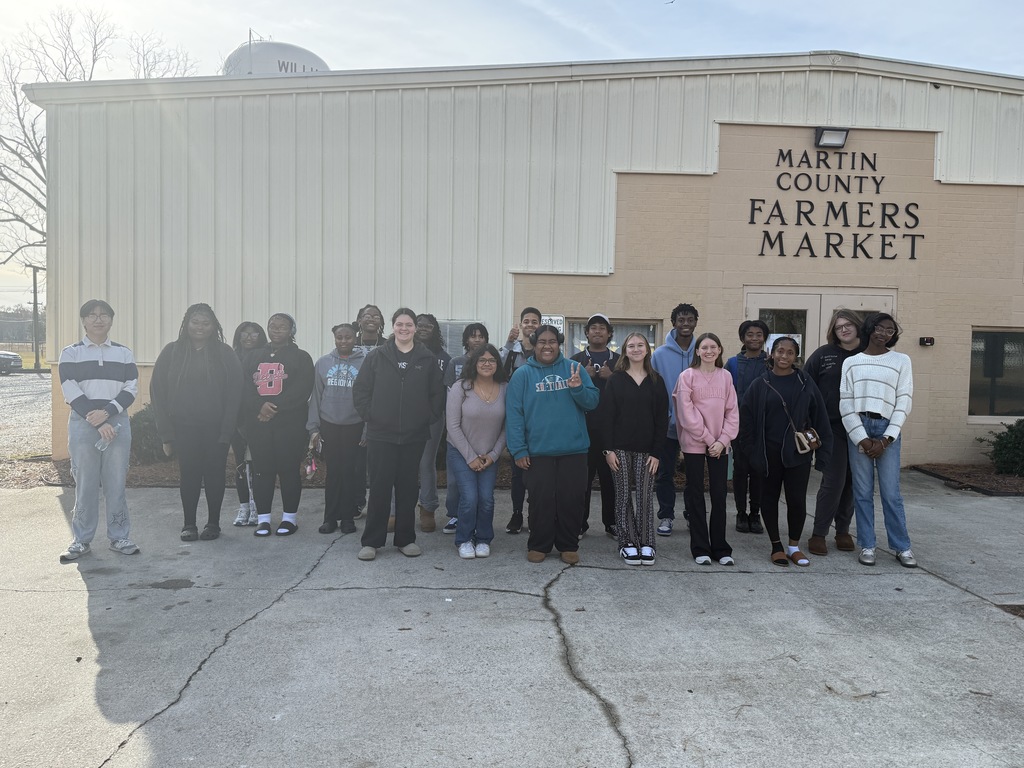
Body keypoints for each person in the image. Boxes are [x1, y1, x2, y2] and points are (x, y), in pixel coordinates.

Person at [352, 308, 445, 561]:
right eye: (400, 324)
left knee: (407, 489)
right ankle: (371, 541)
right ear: (392, 327)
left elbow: (437, 394)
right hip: (381, 435)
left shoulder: (426, 358)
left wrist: (425, 419)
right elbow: (361, 390)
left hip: (413, 436)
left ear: (415, 328)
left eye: (409, 324)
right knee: (380, 488)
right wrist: (371, 416)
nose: (404, 328)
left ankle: (405, 539)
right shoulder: (378, 356)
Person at [505, 325, 600, 564]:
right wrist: (518, 449)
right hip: (538, 452)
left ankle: (568, 544)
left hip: (574, 450)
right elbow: (514, 415)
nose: (547, 346)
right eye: (542, 342)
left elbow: (592, 402)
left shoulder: (575, 368)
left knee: (572, 499)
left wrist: (578, 388)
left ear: (559, 344)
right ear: (534, 345)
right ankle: (539, 543)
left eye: (552, 342)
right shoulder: (522, 375)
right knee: (540, 499)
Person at [151, 304, 243, 542]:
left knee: (214, 476)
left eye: (205, 323)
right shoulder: (172, 352)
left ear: (214, 327)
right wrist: (166, 434)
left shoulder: (224, 353)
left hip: (216, 429)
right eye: (195, 322)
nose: (200, 327)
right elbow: (157, 393)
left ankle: (213, 523)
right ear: (186, 324)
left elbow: (235, 394)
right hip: (184, 428)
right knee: (189, 475)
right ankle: (189, 524)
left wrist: (227, 431)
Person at [58, 300, 140, 562]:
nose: (98, 319)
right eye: (91, 315)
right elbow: (70, 389)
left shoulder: (124, 353)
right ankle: (81, 540)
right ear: (83, 321)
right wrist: (97, 420)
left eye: (104, 315)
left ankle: (119, 537)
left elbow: (131, 388)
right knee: (86, 482)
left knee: (116, 482)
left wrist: (108, 413)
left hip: (116, 422)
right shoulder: (70, 353)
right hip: (83, 424)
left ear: (111, 320)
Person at [739, 337, 832, 567]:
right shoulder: (760, 383)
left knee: (797, 501)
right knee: (769, 499)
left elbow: (820, 417)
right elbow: (746, 421)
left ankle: (793, 546)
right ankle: (776, 546)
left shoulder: (805, 382)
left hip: (797, 454)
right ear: (771, 353)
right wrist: (751, 452)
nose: (784, 356)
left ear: (795, 356)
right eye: (780, 351)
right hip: (767, 454)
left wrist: (823, 455)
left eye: (790, 352)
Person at [839, 312, 917, 568]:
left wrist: (886, 438)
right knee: (862, 493)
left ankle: (902, 547)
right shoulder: (852, 362)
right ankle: (868, 545)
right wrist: (861, 439)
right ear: (870, 329)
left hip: (887, 429)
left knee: (891, 493)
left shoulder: (901, 361)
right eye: (880, 328)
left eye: (890, 331)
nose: (884, 334)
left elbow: (904, 400)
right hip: (858, 427)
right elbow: (846, 403)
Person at [241, 313, 315, 537]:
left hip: (289, 424)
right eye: (273, 325)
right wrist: (259, 406)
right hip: (259, 424)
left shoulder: (301, 357)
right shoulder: (253, 356)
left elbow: (302, 389)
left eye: (282, 327)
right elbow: (243, 386)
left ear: (291, 331)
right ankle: (263, 519)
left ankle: (289, 518)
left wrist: (273, 408)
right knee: (262, 471)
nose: (276, 330)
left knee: (288, 470)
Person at [599, 333, 667, 565]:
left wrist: (657, 452)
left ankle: (646, 543)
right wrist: (607, 450)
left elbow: (661, 420)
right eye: (631, 346)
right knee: (623, 495)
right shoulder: (616, 380)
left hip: (647, 451)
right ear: (625, 351)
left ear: (647, 350)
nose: (636, 349)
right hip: (618, 450)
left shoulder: (657, 381)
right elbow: (606, 417)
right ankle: (627, 543)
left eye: (640, 345)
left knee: (646, 496)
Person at [675, 332, 740, 566]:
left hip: (720, 445)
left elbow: (732, 412)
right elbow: (685, 413)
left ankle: (721, 548)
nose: (709, 351)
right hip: (695, 442)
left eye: (713, 347)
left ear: (720, 350)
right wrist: (706, 437)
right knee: (695, 495)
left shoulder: (726, 377)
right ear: (698, 351)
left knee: (719, 494)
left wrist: (722, 440)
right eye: (704, 347)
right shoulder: (687, 377)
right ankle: (700, 547)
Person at [804, 309, 864, 556]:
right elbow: (806, 388)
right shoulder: (823, 355)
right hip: (831, 429)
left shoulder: (869, 354)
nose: (845, 330)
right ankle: (819, 534)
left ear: (858, 326)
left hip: (863, 429)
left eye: (849, 325)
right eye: (839, 327)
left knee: (853, 482)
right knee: (834, 481)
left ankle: (843, 531)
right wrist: (808, 424)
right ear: (833, 330)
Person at [446, 344, 507, 559]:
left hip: (489, 454)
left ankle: (483, 538)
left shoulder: (505, 388)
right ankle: (464, 539)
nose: (487, 364)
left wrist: (493, 455)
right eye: (482, 360)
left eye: (492, 360)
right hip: (461, 452)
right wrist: (470, 457)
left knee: (486, 498)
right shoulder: (460, 388)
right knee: (470, 498)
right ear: (474, 363)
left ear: (497, 364)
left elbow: (507, 427)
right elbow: (452, 426)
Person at [308, 323, 365, 535]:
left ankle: (348, 518)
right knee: (333, 473)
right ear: (334, 338)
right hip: (329, 424)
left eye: (348, 337)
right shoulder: (323, 363)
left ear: (355, 338)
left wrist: (367, 428)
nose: (344, 341)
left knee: (350, 472)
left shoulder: (365, 363)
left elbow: (369, 397)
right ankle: (330, 518)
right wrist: (313, 428)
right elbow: (316, 395)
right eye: (339, 337)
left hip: (354, 424)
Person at [650, 303, 699, 536]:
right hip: (667, 425)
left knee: (694, 474)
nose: (686, 324)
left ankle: (692, 515)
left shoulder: (703, 350)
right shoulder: (659, 355)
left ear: (696, 322)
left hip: (697, 428)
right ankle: (666, 516)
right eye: (681, 320)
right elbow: (652, 388)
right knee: (665, 473)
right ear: (674, 323)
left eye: (690, 320)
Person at [571, 313, 620, 538]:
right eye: (593, 328)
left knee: (611, 479)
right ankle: (580, 523)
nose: (598, 331)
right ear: (587, 333)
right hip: (584, 428)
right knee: (582, 480)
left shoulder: (620, 361)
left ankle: (611, 523)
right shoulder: (575, 360)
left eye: (602, 328)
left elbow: (629, 393)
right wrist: (585, 377)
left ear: (609, 333)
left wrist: (613, 377)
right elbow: (568, 394)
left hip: (611, 430)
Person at [725, 319, 770, 534]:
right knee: (741, 469)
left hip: (764, 425)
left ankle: (755, 512)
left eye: (758, 334)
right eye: (749, 334)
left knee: (760, 470)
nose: (754, 338)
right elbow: (725, 393)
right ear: (742, 338)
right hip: (739, 424)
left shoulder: (770, 362)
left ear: (764, 338)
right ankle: (741, 512)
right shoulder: (733, 363)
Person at [500, 306, 542, 535]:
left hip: (538, 416)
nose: (530, 325)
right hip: (516, 415)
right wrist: (508, 343)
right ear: (520, 325)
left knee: (538, 468)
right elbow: (497, 368)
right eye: (526, 321)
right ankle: (517, 513)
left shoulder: (544, 350)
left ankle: (535, 512)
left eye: (534, 321)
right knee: (518, 470)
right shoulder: (512, 351)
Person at [414, 313, 452, 533]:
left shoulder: (443, 358)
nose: (424, 328)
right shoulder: (404, 351)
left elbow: (446, 391)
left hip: (433, 417)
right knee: (402, 464)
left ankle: (427, 508)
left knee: (425, 462)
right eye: (420, 325)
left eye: (429, 326)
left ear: (435, 330)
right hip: (405, 417)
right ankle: (395, 510)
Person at [230, 321, 268, 526]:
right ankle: (243, 506)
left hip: (258, 417)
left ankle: (257, 507)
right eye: (244, 333)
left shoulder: (265, 356)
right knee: (239, 465)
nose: (249, 337)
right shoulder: (230, 356)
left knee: (257, 465)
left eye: (254, 334)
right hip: (236, 419)